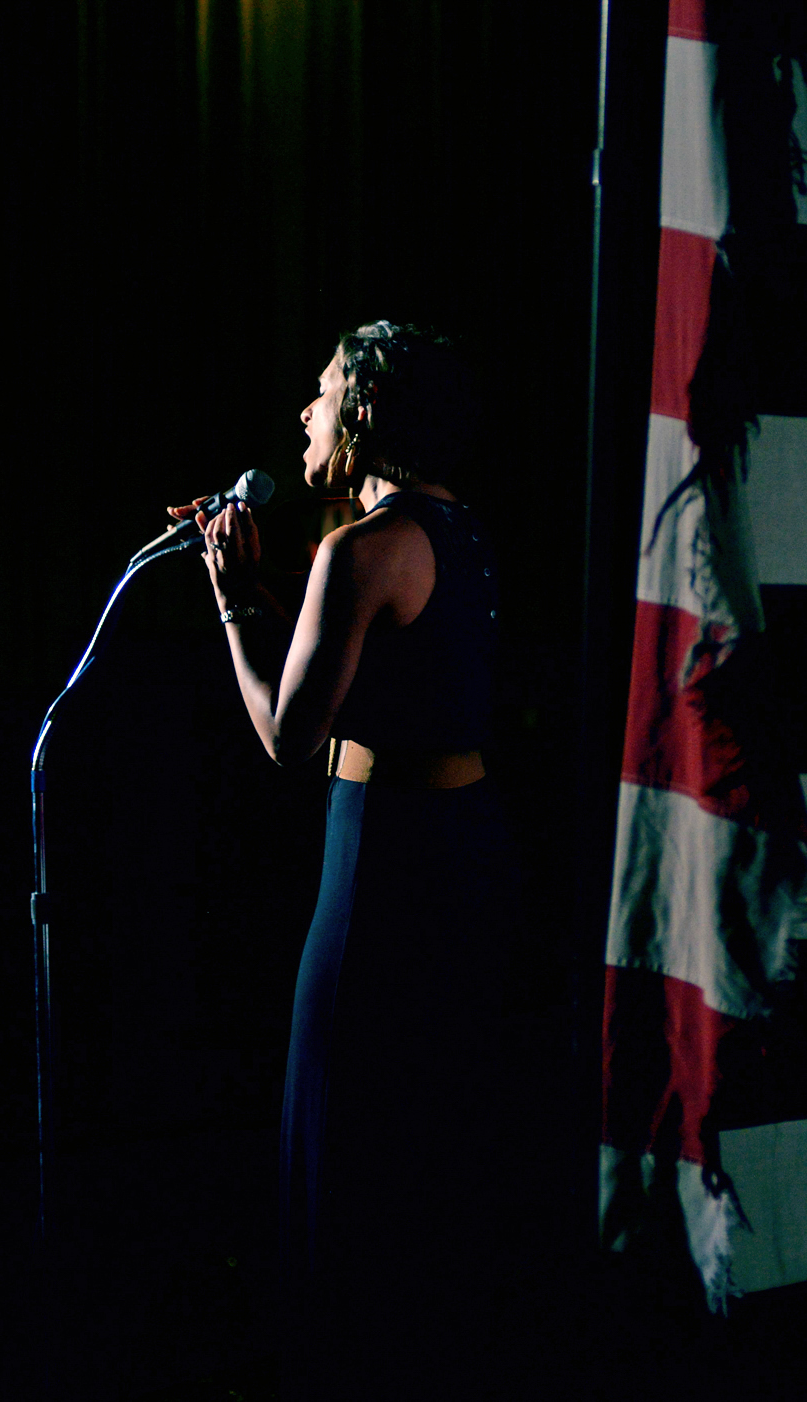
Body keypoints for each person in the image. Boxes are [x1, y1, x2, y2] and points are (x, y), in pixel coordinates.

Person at [177, 321, 515, 1398]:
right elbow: (379, 682)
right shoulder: (455, 531)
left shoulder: (357, 549)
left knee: (344, 1106)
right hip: (463, 855)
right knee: (425, 1124)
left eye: (321, 394)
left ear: (364, 413)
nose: (305, 415)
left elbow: (287, 733)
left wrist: (230, 591)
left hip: (380, 864)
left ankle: (345, 1355)